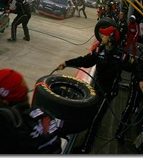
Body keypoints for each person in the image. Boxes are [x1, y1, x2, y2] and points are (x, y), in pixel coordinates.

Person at [57, 25, 135, 154]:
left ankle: (86, 148)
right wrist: (67, 63)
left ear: (110, 39)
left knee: (96, 119)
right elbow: (86, 60)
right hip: (97, 89)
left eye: (104, 35)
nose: (101, 37)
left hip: (108, 92)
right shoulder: (100, 50)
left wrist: (141, 80)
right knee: (89, 115)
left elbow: (135, 66)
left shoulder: (121, 56)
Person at [116, 42, 143, 144]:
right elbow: (137, 68)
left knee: (141, 108)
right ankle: (120, 131)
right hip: (138, 83)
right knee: (131, 106)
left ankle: (137, 129)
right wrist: (140, 80)